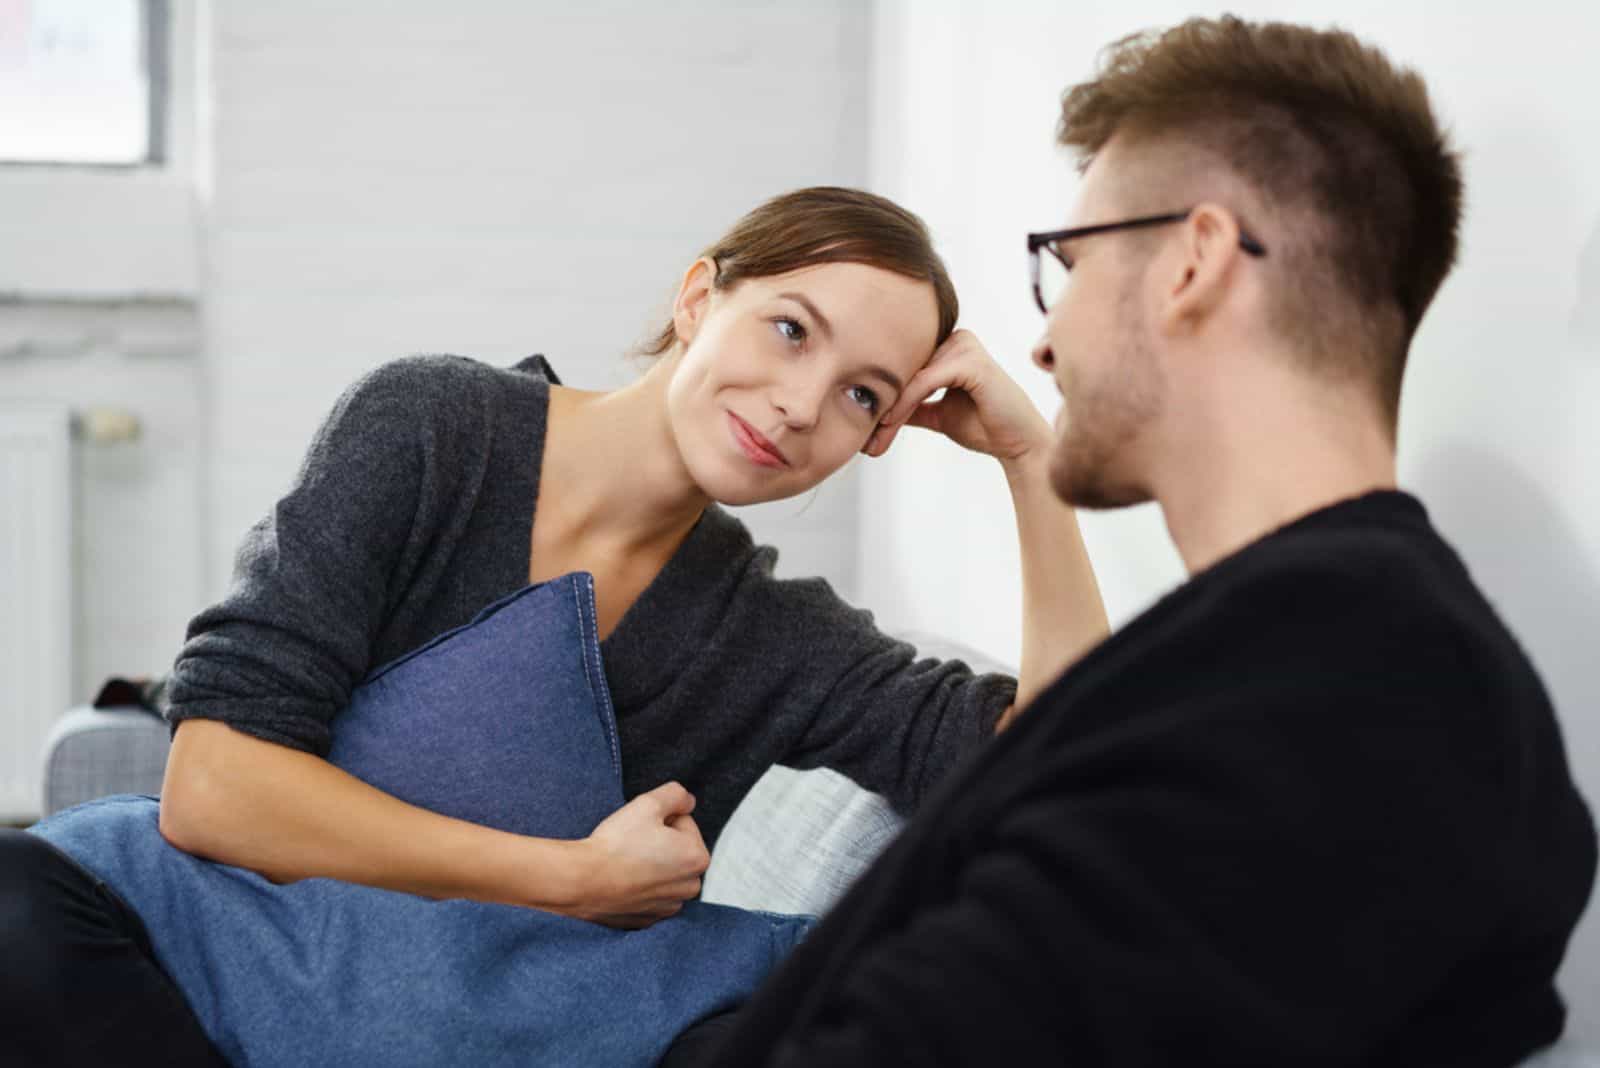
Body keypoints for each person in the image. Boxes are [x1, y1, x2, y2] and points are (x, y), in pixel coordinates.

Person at [0, 187, 1107, 1066]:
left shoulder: (771, 639)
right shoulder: (433, 428)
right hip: (179, 930)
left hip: (482, 1017)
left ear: (879, 434)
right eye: (786, 330)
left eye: (865, 394)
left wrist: (1034, 464)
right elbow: (212, 787)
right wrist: (567, 878)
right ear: (696, 298)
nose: (800, 404)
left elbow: (1051, 771)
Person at [684, 17, 1599, 1067]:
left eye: (1064, 266)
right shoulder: (1294, 649)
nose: (1044, 337)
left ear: (1191, 262)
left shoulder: (1347, 685)